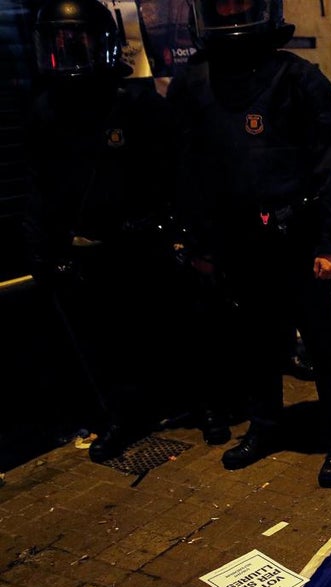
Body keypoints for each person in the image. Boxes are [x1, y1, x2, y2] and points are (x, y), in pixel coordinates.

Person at [167, 0, 331, 487]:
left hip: (296, 235)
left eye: (241, 4)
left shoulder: (298, 78)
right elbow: (182, 169)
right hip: (235, 239)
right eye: (222, 5)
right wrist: (195, 241)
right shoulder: (194, 82)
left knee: (322, 340)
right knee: (255, 340)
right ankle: (266, 425)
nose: (231, 14)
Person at [24, 0, 183, 461]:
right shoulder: (46, 110)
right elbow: (39, 185)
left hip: (136, 242)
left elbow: (170, 169)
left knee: (152, 331)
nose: (68, 55)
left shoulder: (132, 103)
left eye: (77, 44)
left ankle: (175, 403)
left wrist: (169, 226)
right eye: (58, 46)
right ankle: (121, 417)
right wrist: (40, 249)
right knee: (100, 345)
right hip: (79, 247)